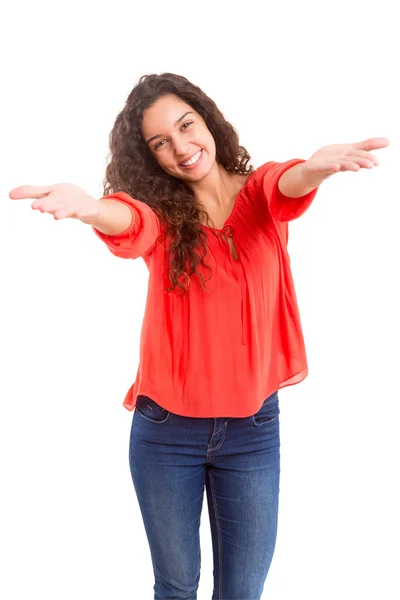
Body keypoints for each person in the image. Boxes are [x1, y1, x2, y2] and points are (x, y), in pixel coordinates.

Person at [9, 73, 389, 600]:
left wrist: (314, 169)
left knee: (242, 591)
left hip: (253, 431)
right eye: (160, 143)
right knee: (176, 587)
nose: (181, 148)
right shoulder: (163, 217)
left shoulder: (259, 195)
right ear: (151, 158)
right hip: (166, 432)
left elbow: (287, 183)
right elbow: (130, 220)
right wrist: (92, 208)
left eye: (185, 126)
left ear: (207, 119)